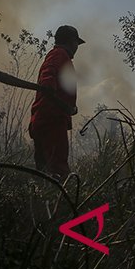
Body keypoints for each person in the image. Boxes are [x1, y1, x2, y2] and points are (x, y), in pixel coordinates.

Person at [29, 25, 84, 179]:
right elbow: (48, 78)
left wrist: (70, 108)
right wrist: (50, 88)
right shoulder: (59, 55)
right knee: (58, 170)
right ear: (71, 41)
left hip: (47, 119)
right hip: (51, 120)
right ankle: (62, 201)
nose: (76, 47)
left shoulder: (60, 56)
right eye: (76, 43)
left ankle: (41, 200)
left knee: (44, 171)